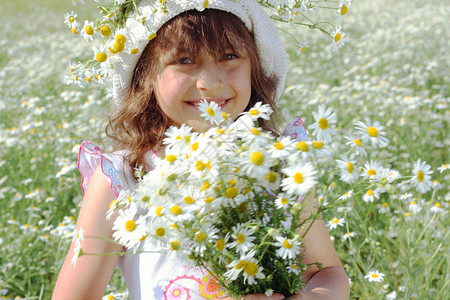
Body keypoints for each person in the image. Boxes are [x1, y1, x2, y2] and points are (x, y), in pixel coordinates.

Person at [52, 1, 350, 299]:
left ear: (253, 68)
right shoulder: (125, 178)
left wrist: (313, 296)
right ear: (145, 75)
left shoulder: (280, 164)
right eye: (184, 60)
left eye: (229, 56)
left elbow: (327, 272)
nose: (210, 83)